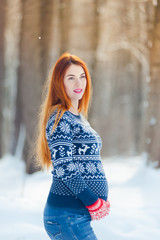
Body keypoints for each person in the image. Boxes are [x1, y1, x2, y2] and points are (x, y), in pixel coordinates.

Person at [35, 52, 110, 240]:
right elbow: (64, 167)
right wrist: (92, 201)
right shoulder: (60, 118)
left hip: (73, 215)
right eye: (71, 78)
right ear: (60, 83)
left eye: (82, 76)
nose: (79, 84)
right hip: (67, 216)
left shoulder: (77, 117)